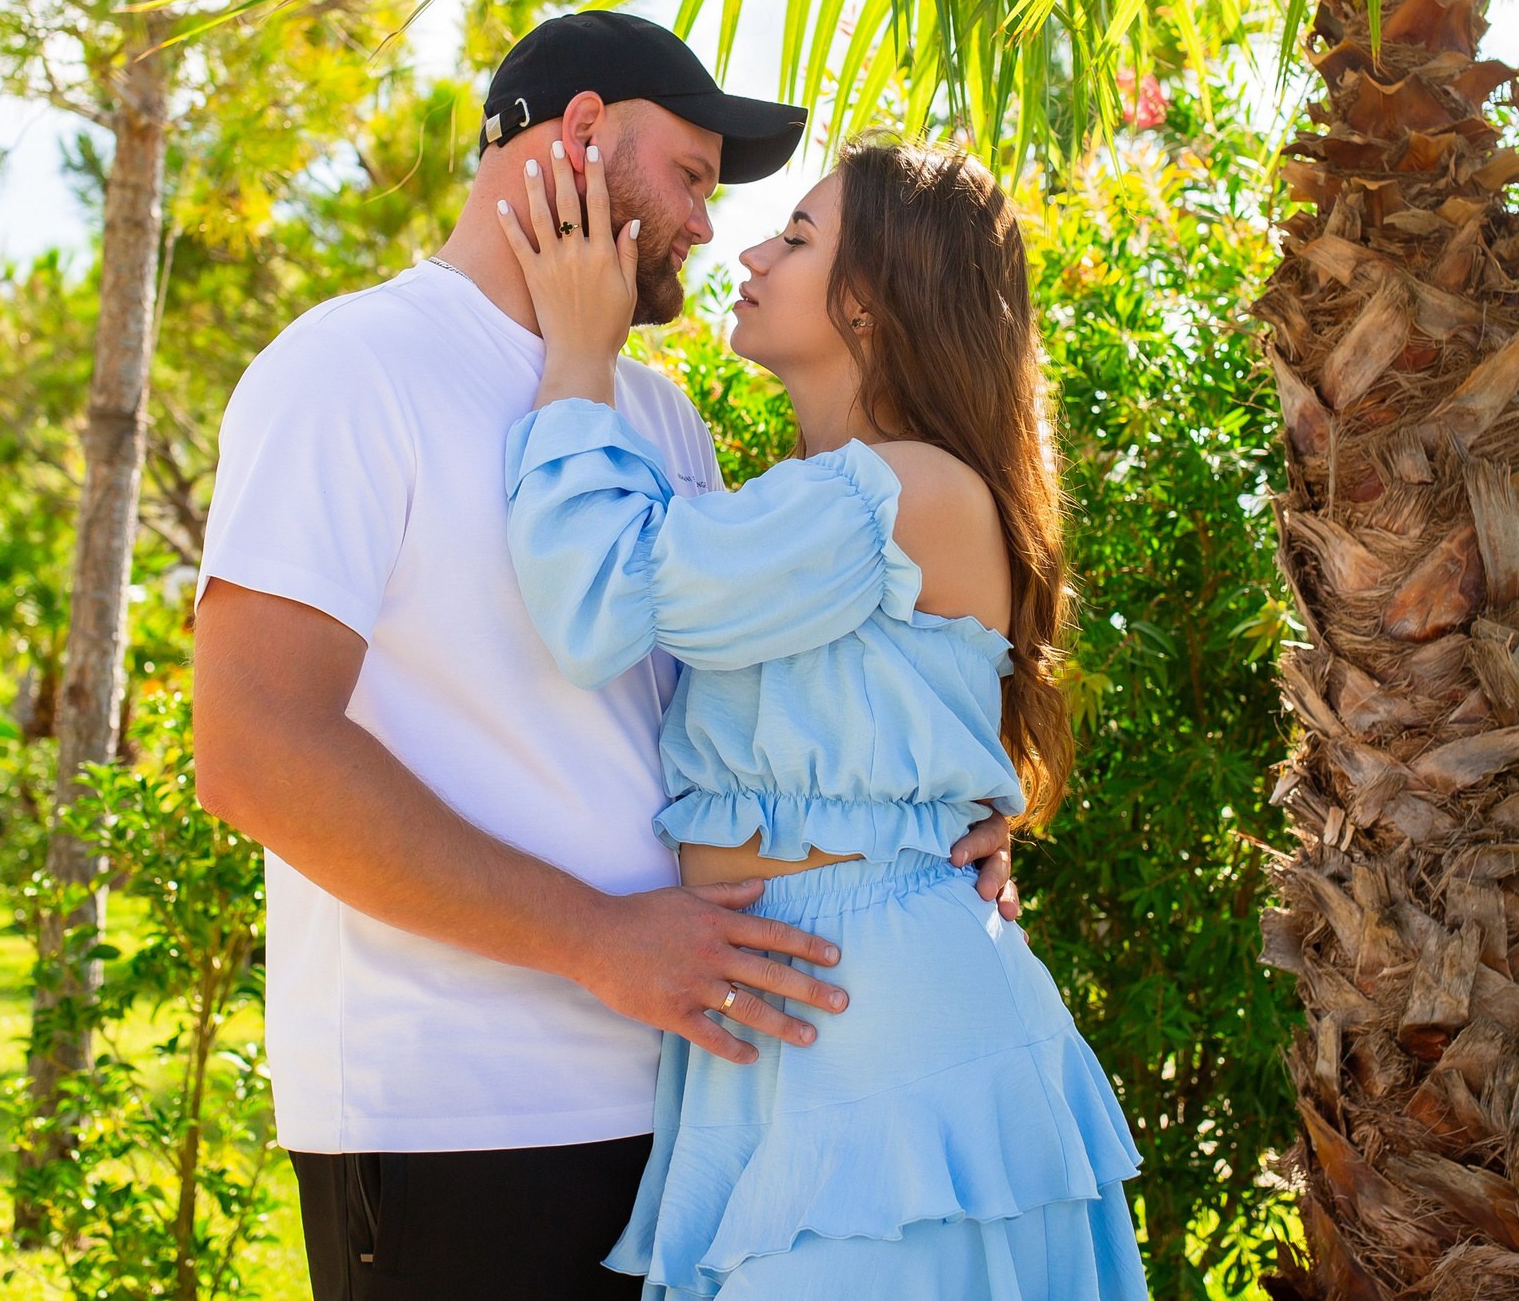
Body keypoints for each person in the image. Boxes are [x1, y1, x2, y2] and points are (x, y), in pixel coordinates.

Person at [190, 11, 1016, 1301]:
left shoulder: (653, 411)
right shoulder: (352, 369)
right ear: (578, 135)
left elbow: (748, 708)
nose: (707, 226)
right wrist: (594, 940)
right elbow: (254, 751)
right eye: (690, 176)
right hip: (457, 1118)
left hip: (700, 1094)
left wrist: (937, 837)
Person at [492, 132, 1148, 1298]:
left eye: (798, 236)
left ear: (877, 301)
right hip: (808, 999)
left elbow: (596, 602)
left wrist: (580, 358)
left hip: (869, 1014)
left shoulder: (899, 490)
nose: (747, 247)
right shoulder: (842, 499)